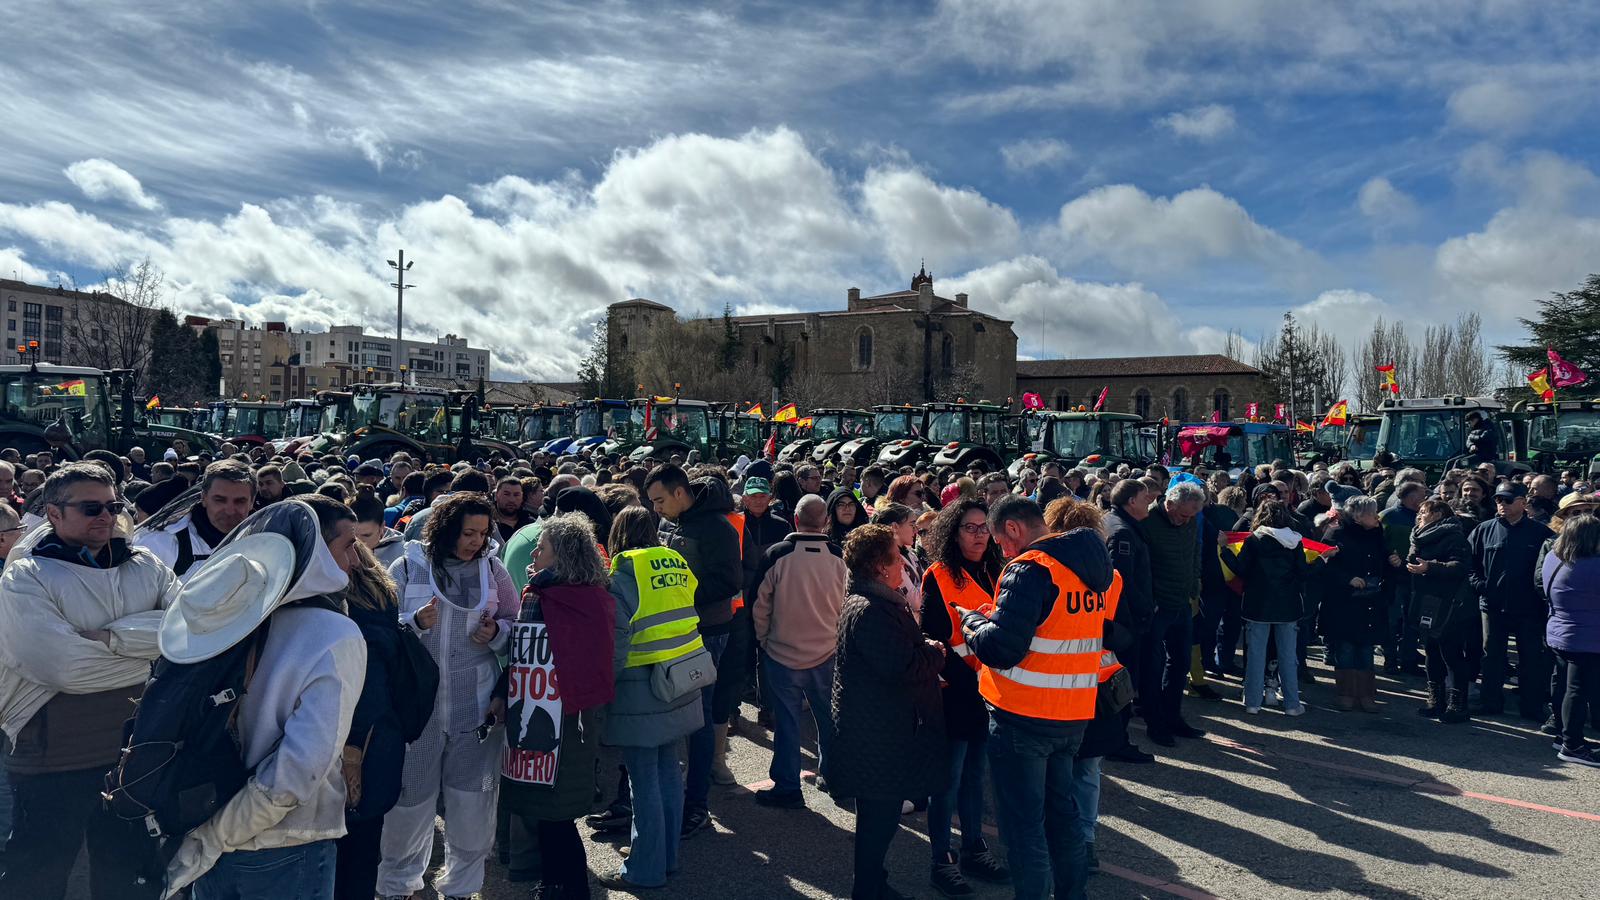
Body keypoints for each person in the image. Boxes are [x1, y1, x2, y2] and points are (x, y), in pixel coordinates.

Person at [162, 495, 367, 899]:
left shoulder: (224, 619)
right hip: (287, 844)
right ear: (314, 553)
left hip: (206, 826)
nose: (356, 561)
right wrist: (217, 837)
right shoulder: (335, 634)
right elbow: (300, 770)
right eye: (347, 546)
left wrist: (208, 839)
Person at [0, 464, 178, 899]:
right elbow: (65, 668)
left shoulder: (148, 566)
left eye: (113, 506)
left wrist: (111, 639)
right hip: (53, 756)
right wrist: (152, 656)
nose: (106, 516)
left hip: (134, 750)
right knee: (38, 873)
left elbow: (190, 632)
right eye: (91, 508)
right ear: (53, 513)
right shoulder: (25, 577)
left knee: (127, 873)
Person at [957, 496, 1119, 900]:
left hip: (1023, 714)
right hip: (1072, 713)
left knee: (1024, 827)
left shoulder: (1031, 568)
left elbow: (1001, 648)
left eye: (1000, 541)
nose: (1001, 551)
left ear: (1013, 528)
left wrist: (972, 622)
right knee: (1063, 817)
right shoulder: (1089, 569)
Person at [378, 492, 518, 900]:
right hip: (418, 708)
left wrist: (497, 634)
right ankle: (397, 885)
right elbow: (382, 626)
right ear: (446, 530)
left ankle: (462, 886)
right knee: (409, 802)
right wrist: (413, 622)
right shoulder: (407, 566)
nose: (476, 541)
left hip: (475, 707)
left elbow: (516, 624)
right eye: (468, 533)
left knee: (472, 802)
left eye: (483, 533)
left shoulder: (493, 569)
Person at [828, 525, 948, 900]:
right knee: (878, 818)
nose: (903, 566)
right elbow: (902, 666)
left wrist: (920, 647)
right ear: (881, 566)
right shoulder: (871, 609)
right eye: (897, 559)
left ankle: (873, 882)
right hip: (877, 735)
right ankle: (868, 889)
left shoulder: (874, 602)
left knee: (878, 817)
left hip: (877, 728)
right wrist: (935, 653)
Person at [503, 513, 618, 899]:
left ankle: (569, 888)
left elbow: (528, 652)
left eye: (542, 548)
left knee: (554, 812)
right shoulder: (588, 594)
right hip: (564, 711)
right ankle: (556, 883)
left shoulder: (551, 596)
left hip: (559, 716)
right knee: (551, 810)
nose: (534, 554)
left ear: (563, 554)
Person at [601, 507, 705, 888]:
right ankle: (666, 857)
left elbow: (616, 644)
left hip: (639, 688)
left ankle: (645, 869)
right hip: (678, 678)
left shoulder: (621, 577)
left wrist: (602, 688)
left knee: (642, 781)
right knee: (668, 773)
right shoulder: (676, 564)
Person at [646, 464, 742, 838]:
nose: (656, 508)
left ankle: (696, 805)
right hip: (675, 628)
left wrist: (679, 591)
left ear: (679, 493)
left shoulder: (717, 527)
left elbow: (730, 581)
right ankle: (681, 794)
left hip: (707, 632)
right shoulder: (673, 523)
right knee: (676, 712)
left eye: (659, 500)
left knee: (698, 716)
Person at [920, 499, 1009, 896]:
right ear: (953, 533)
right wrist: (972, 677)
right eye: (969, 527)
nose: (978, 535)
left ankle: (974, 848)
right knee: (948, 781)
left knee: (975, 777)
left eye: (983, 527)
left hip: (990, 691)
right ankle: (942, 860)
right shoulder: (938, 575)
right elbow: (936, 638)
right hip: (956, 693)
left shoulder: (997, 571)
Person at [335, 537, 425, 900]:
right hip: (381, 744)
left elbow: (365, 695)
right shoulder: (381, 600)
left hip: (353, 750)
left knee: (341, 859)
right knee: (363, 851)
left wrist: (351, 745)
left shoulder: (352, 619)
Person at [749, 494, 848, 808]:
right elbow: (848, 605)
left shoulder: (778, 555)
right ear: (826, 521)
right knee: (828, 720)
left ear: (795, 519)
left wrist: (765, 640)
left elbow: (758, 605)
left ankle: (788, 786)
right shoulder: (839, 556)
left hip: (782, 653)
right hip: (827, 652)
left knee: (788, 724)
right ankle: (835, 777)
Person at [1221, 500, 1327, 715]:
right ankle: (1292, 704)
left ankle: (1252, 702)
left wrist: (1224, 549)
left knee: (1256, 655)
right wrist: (1322, 560)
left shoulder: (1253, 540)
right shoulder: (1295, 541)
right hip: (1288, 606)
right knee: (1287, 656)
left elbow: (1240, 570)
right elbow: (1303, 573)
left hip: (1257, 605)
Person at [1470, 482, 1554, 719]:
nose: (1502, 504)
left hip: (1529, 608)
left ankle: (1531, 706)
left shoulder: (1541, 533)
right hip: (1493, 605)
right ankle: (1490, 702)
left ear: (1523, 502)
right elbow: (1470, 564)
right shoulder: (1483, 530)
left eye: (1507, 500)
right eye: (1498, 500)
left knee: (1531, 657)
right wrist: (1480, 586)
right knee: (1492, 656)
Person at [1138, 481, 1208, 746]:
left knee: (1180, 663)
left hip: (1181, 602)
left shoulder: (1189, 521)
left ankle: (1172, 716)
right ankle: (1154, 722)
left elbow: (1195, 551)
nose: (1185, 520)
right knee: (1152, 666)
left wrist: (1194, 583)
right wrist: (1151, 599)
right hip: (1158, 606)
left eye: (1190, 516)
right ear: (1168, 504)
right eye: (1182, 515)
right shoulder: (1148, 522)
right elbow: (1141, 564)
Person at [1406, 498, 1475, 724]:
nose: (1419, 515)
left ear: (1437, 515)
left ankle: (1458, 704)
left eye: (1424, 512)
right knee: (1431, 651)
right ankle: (1436, 700)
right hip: (1426, 601)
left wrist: (1430, 567)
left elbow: (1460, 567)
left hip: (1449, 604)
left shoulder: (1454, 537)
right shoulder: (1418, 535)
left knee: (1451, 654)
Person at [1324, 495, 1394, 713]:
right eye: (1372, 513)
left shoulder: (1377, 533)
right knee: (1345, 647)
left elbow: (1383, 557)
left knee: (1366, 647)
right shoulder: (1336, 533)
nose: (1377, 516)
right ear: (1357, 516)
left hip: (1371, 599)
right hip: (1344, 601)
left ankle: (1366, 694)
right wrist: (1347, 579)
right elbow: (1324, 564)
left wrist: (1392, 561)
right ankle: (1346, 693)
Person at [1541, 512, 1600, 766]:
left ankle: (1564, 735)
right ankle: (1572, 745)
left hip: (1559, 630)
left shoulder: (1553, 558)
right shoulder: (1592, 566)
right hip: (1585, 637)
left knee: (1564, 686)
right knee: (1577, 691)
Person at [135, 459, 257, 581]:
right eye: (219, 500)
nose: (230, 511)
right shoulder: (160, 545)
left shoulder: (261, 542)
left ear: (252, 502)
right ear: (204, 498)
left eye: (240, 501)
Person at [872, 502, 925, 621]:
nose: (916, 530)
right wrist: (930, 584)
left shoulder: (910, 552)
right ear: (895, 527)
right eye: (912, 525)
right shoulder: (888, 560)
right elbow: (916, 602)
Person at [351, 485, 405, 568]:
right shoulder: (338, 549)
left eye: (366, 535)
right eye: (353, 535)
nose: (358, 542)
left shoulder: (403, 554)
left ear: (382, 527)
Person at [491, 476, 534, 545]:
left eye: (516, 495)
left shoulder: (531, 524)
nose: (511, 499)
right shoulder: (487, 523)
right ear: (496, 495)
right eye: (506, 494)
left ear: (522, 497)